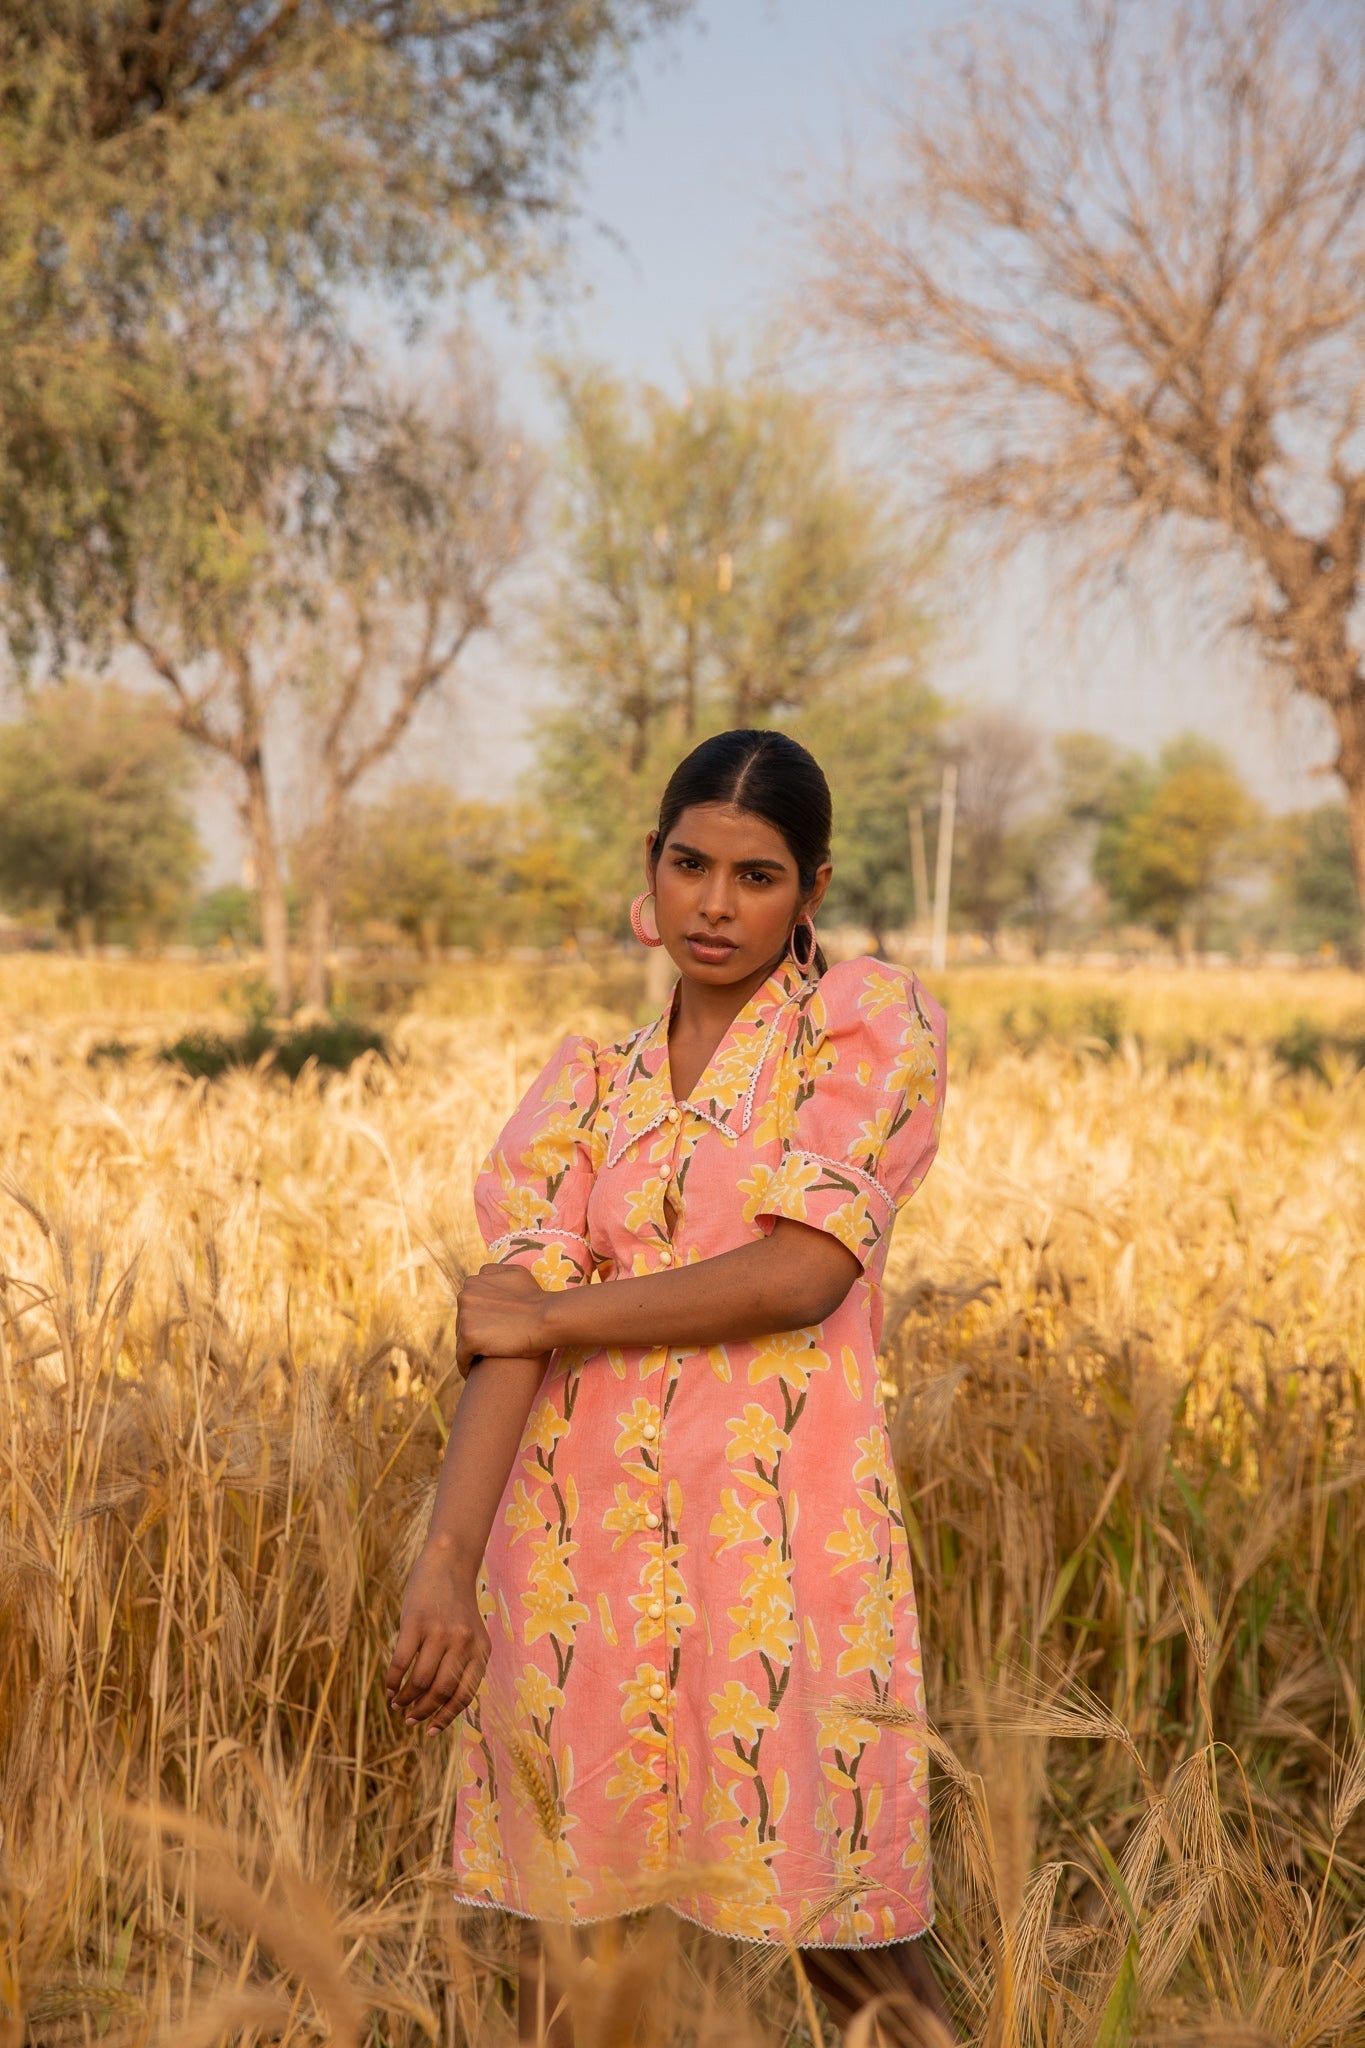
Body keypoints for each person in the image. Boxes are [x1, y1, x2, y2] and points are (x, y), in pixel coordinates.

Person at [386, 729, 952, 2042]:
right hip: (576, 1548)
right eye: (689, 863)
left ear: (811, 891)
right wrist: (447, 1557)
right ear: (650, 864)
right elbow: (504, 1347)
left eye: (755, 876)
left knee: (850, 1948)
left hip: (781, 1543)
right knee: (557, 1954)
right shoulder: (585, 1088)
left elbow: (797, 1278)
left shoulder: (861, 1035)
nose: (712, 903)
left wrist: (555, 1313)